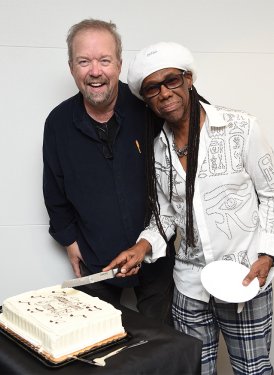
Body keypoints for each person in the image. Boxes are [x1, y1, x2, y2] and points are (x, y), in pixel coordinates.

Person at [103, 41, 274, 374]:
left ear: (188, 79)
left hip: (244, 279)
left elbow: (271, 193)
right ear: (147, 99)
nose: (164, 92)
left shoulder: (241, 128)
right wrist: (141, 247)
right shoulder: (157, 150)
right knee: (192, 370)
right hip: (189, 286)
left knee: (253, 370)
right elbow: (166, 215)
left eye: (171, 80)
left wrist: (267, 254)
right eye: (152, 88)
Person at [42, 19, 175, 324]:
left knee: (165, 347)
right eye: (84, 61)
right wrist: (70, 243)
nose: (95, 71)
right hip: (96, 261)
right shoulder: (57, 123)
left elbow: (190, 132)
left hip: (156, 257)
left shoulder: (149, 105)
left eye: (104, 60)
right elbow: (54, 190)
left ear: (119, 63)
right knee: (101, 352)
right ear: (71, 67)